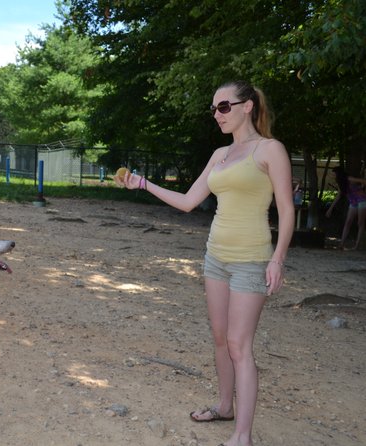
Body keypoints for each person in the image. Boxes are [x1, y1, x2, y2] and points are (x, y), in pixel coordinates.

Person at [116, 81, 294, 446]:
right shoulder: (220, 155)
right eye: (213, 109)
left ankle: (241, 436)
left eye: (224, 107)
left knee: (239, 344)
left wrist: (278, 258)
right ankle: (225, 406)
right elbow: (187, 202)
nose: (217, 114)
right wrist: (143, 183)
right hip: (216, 258)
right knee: (219, 339)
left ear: (248, 106)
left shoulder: (270, 150)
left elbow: (287, 210)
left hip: (251, 261)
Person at [325, 166, 366, 250]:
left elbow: (364, 181)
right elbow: (339, 195)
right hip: (353, 202)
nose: (332, 175)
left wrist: (361, 188)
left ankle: (356, 246)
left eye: (333, 174)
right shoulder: (340, 182)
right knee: (348, 222)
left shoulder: (349, 179)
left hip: (361, 199)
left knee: (360, 223)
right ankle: (341, 244)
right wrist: (330, 209)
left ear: (338, 174)